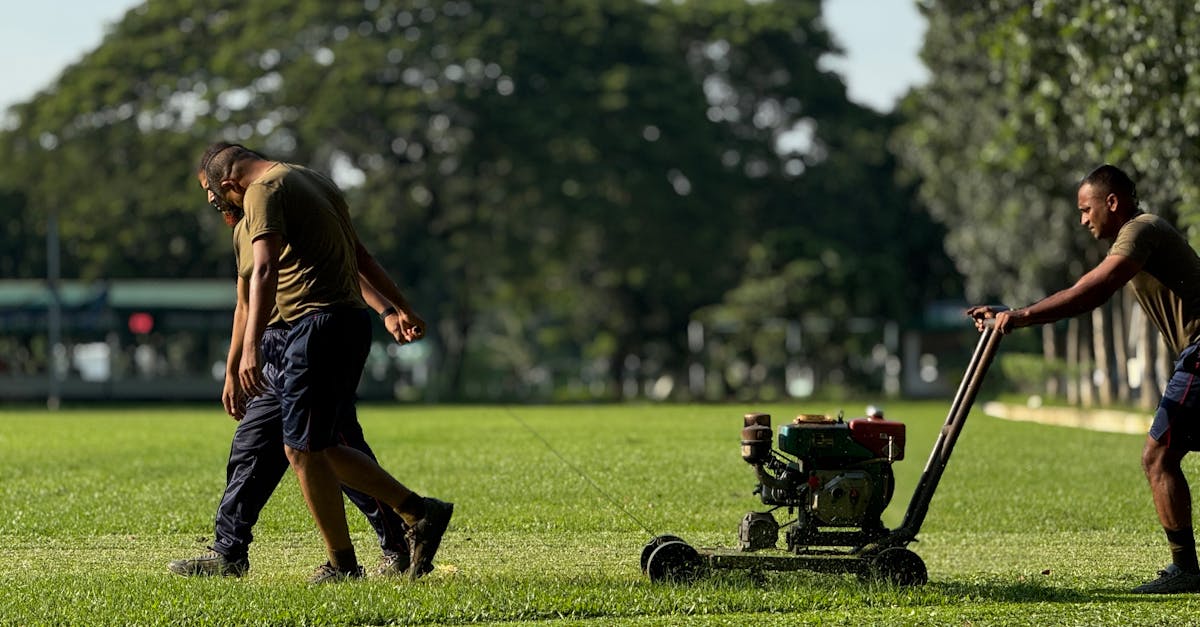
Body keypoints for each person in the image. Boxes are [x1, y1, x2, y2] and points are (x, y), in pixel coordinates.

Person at [201, 142, 453, 583]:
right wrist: (396, 307)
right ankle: (231, 552)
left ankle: (391, 532)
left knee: (311, 449)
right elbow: (357, 257)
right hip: (306, 334)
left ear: (230, 182)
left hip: (315, 328)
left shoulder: (264, 191)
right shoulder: (311, 181)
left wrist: (251, 347)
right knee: (279, 445)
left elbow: (268, 271)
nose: (212, 202)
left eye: (214, 193)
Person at [969, 164, 1200, 594]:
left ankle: (1186, 569)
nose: (1082, 219)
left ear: (1112, 202)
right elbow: (1083, 290)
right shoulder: (1139, 233)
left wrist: (1021, 317)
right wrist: (1012, 312)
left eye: (1086, 209)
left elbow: (1091, 292)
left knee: (1157, 457)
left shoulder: (1140, 230)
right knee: (1161, 456)